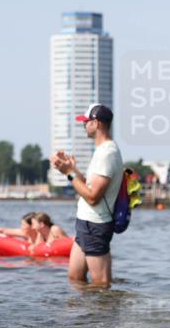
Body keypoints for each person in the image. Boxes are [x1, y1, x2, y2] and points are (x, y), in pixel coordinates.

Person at [51, 103, 124, 285]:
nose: (84, 125)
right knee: (75, 278)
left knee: (101, 283)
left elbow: (93, 197)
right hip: (85, 223)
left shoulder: (107, 153)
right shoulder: (101, 151)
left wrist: (68, 173)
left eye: (86, 121)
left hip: (96, 224)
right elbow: (89, 186)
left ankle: (104, 314)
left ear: (97, 123)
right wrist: (71, 169)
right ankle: (85, 314)